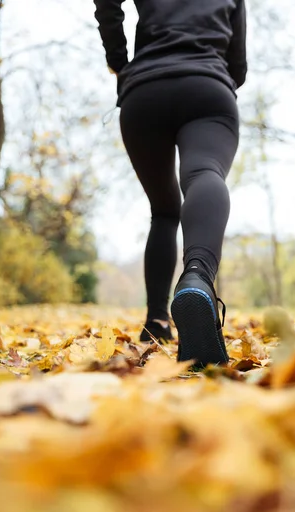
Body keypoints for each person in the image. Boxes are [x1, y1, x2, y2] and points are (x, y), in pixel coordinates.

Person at [94, 0, 247, 367]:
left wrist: (119, 60)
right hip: (206, 85)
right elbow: (238, 65)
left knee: (164, 211)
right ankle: (197, 277)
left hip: (144, 90)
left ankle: (157, 321)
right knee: (204, 174)